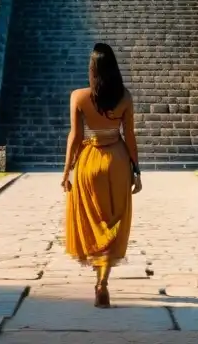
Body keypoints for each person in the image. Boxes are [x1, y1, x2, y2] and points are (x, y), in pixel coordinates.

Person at [62, 42, 142, 308]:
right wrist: (137, 170)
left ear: (92, 69)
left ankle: (99, 277)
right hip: (117, 160)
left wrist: (66, 171)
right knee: (114, 220)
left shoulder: (78, 96)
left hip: (88, 162)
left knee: (93, 221)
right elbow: (129, 137)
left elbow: (75, 137)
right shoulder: (125, 97)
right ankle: (103, 283)